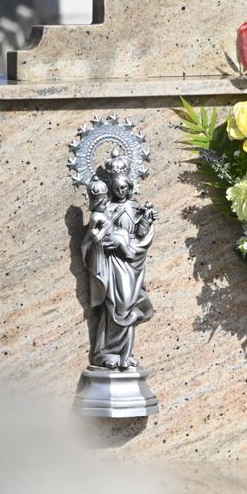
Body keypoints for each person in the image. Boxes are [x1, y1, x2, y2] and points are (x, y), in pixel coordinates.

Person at [81, 154, 157, 370]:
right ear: (111, 187)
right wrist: (104, 246)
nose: (120, 191)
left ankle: (125, 354)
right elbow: (90, 241)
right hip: (112, 266)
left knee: (129, 307)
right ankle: (105, 352)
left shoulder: (135, 207)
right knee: (116, 307)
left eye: (124, 187)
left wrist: (147, 220)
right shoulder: (105, 210)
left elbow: (141, 234)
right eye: (117, 188)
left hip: (132, 265)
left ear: (130, 186)